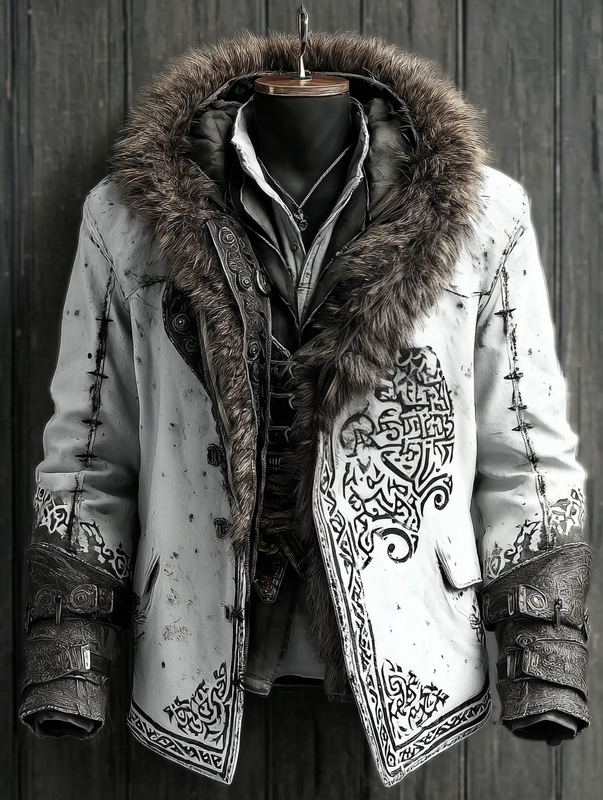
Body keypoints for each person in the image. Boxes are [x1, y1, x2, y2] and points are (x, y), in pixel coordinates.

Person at [19, 28, 591, 788]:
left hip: (417, 640)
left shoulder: (485, 216)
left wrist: (544, 656)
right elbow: (90, 444)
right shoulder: (124, 218)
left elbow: (525, 442)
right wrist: (68, 657)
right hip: (192, 639)